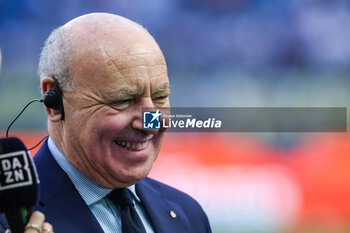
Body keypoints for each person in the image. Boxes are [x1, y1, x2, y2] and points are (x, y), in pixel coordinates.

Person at [0, 13, 211, 233]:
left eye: (159, 97)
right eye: (123, 100)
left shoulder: (189, 216)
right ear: (54, 101)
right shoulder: (10, 220)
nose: (150, 123)